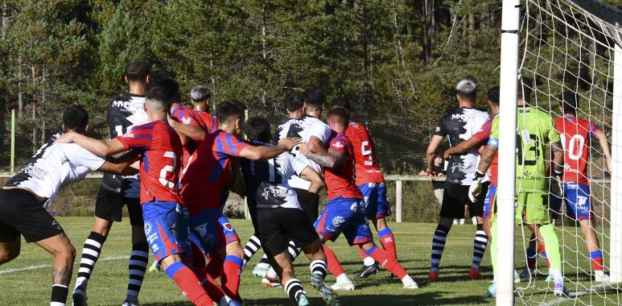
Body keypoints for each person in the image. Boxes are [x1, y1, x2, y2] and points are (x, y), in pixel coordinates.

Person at [59, 87, 215, 305]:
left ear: (145, 108)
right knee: (189, 263)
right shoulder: (174, 133)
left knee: (170, 261)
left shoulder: (149, 131)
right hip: (175, 205)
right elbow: (134, 161)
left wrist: (74, 136)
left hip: (157, 206)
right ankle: (223, 300)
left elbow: (106, 149)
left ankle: (208, 303)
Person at [0, 105, 136, 306]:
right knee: (65, 252)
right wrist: (145, 148)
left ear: (63, 125)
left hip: (5, 194)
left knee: (7, 252)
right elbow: (119, 167)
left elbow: (93, 161)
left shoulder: (54, 142)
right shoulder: (73, 147)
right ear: (86, 126)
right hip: (23, 200)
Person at [168, 101, 300, 304]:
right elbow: (256, 154)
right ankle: (229, 301)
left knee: (217, 260)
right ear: (237, 121)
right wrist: (282, 146)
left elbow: (231, 182)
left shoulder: (214, 141)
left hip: (199, 206)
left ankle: (227, 299)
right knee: (234, 249)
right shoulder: (222, 139)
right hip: (199, 207)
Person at [303, 107, 418, 291]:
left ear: (331, 122)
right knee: (368, 246)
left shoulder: (339, 141)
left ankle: (341, 278)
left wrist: (308, 154)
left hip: (342, 200)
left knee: (312, 240)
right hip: (353, 199)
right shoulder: (341, 139)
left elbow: (333, 162)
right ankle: (406, 278)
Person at [470, 80, 566, 297]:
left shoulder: (502, 119)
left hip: (509, 182)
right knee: (544, 226)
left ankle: (499, 282)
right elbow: (558, 152)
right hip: (537, 180)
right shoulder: (543, 117)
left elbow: (489, 152)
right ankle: (558, 277)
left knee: (497, 229)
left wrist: (477, 177)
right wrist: (553, 173)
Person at [72, 61, 151, 306]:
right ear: (148, 78)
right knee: (139, 236)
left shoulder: (114, 104)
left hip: (113, 174)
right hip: (139, 174)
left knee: (99, 229)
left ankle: (80, 284)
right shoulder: (151, 107)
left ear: (124, 77)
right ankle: (130, 298)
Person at [240, 117, 337, 306]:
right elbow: (315, 179)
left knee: (284, 269)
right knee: (316, 252)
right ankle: (317, 277)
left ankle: (300, 298)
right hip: (291, 208)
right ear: (270, 134)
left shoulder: (245, 156)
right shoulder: (286, 154)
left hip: (264, 214)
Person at [250, 93, 333, 281]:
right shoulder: (322, 127)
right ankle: (273, 272)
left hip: (282, 184)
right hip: (305, 181)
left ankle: (266, 265)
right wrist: (329, 160)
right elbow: (312, 148)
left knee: (278, 230)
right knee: (307, 236)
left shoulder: (280, 128)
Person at [422, 78, 490, 281]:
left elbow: (431, 150)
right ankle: (475, 268)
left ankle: (434, 270)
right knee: (480, 222)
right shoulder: (486, 117)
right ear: (475, 96)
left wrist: (430, 168)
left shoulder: (448, 118)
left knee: (444, 224)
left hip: (455, 177)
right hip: (480, 177)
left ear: (457, 96)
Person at [330, 100, 400, 278]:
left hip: (362, 179)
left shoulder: (344, 131)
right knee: (380, 223)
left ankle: (370, 262)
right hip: (377, 175)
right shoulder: (362, 127)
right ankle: (392, 263)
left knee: (354, 222)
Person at [552, 91, 611, 282]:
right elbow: (601, 134)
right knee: (587, 226)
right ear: (577, 107)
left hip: (557, 179)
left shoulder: (555, 123)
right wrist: (608, 158)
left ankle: (538, 267)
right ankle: (599, 271)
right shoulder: (585, 124)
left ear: (561, 107)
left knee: (544, 224)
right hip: (579, 181)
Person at [443, 86, 500, 238]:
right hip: (527, 176)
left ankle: (500, 256)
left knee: (485, 220)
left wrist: (450, 151)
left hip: (495, 177)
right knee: (532, 222)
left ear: (489, 102)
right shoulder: (526, 119)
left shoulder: (495, 122)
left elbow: (472, 143)